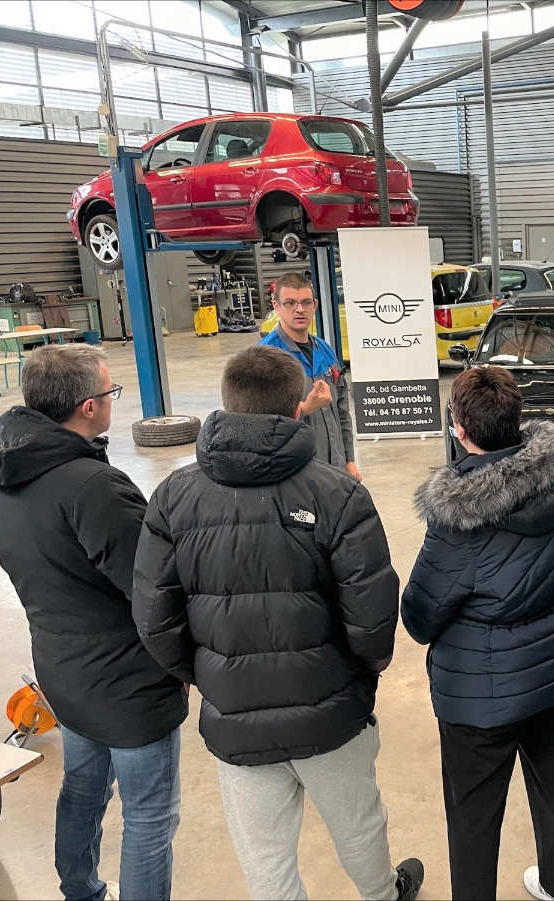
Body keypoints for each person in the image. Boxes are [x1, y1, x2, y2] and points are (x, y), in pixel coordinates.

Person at [132, 346, 422, 901]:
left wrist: (209, 675)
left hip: (234, 714)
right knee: (359, 826)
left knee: (264, 856)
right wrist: (360, 676)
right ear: (298, 409)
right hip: (331, 709)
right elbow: (374, 615)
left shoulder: (173, 496)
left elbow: (152, 616)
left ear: (226, 405)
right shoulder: (338, 494)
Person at [0, 344, 187, 901]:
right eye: (109, 392)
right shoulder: (92, 486)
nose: (111, 400)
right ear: (88, 407)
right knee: (149, 816)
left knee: (83, 786)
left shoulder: (0, 473)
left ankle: (81, 890)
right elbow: (151, 585)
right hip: (127, 683)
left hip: (62, 666)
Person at [402, 367, 554, 901]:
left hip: (479, 696)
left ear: (459, 428)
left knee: (473, 812)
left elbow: (421, 616)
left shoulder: (457, 519)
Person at [260, 271, 360, 480]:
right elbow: (260, 424)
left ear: (314, 305)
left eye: (306, 302)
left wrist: (349, 461)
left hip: (335, 469)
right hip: (294, 472)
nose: (299, 309)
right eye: (290, 303)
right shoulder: (266, 357)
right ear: (276, 306)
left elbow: (342, 411)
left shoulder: (325, 350)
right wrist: (304, 409)